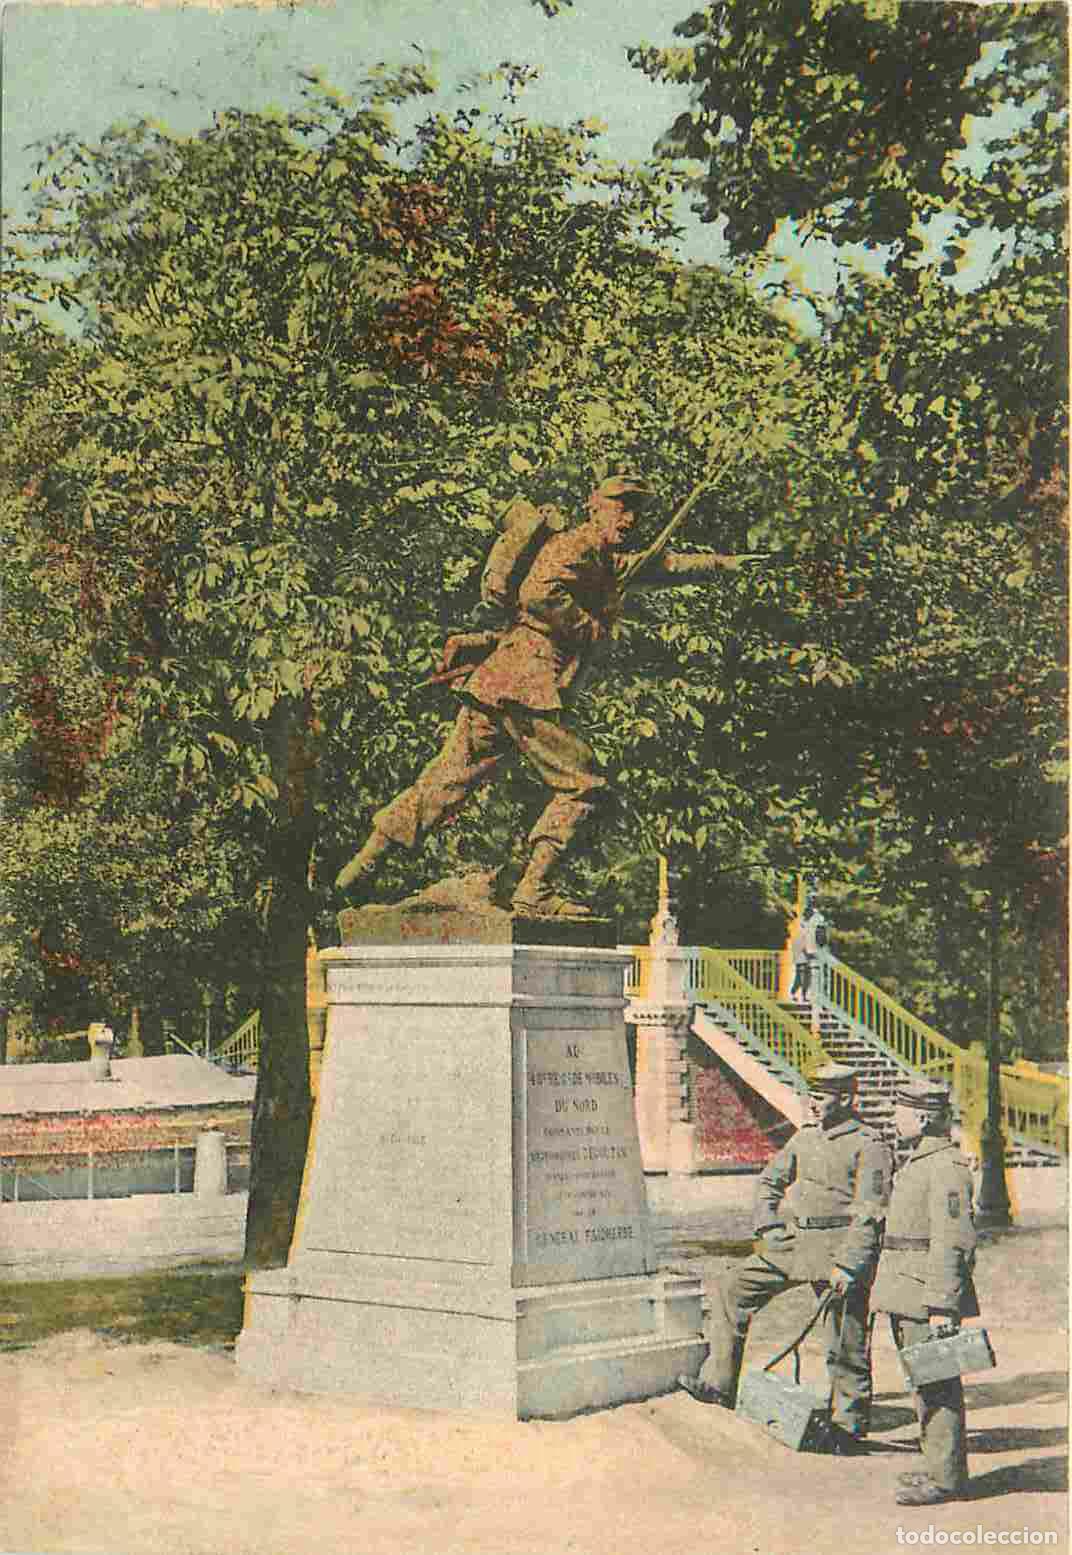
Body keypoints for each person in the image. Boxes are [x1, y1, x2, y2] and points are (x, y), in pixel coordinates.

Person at [336, 474, 758, 918]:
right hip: (526, 685)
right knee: (584, 785)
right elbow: (538, 594)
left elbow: (666, 564)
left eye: (636, 511)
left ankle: (355, 872)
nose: (630, 519)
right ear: (595, 507)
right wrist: (589, 629)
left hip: (498, 685)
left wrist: (730, 564)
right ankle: (534, 888)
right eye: (620, 507)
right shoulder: (577, 545)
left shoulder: (604, 559)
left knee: (444, 783)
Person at [678, 1062, 891, 1455]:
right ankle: (720, 1384)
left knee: (845, 1338)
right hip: (796, 1243)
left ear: (845, 1098)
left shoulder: (869, 1144)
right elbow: (770, 1181)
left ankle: (849, 1424)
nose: (813, 1104)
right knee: (733, 1287)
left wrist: (851, 1264)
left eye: (822, 1097)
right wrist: (768, 1227)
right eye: (811, 1095)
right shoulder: (805, 1137)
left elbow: (871, 1211)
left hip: (838, 1248)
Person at [870, 1077, 979, 1507]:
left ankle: (948, 1478)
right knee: (923, 1382)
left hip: (925, 1294)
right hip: (907, 1288)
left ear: (922, 1117)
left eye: (900, 1111)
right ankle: (938, 1466)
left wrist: (942, 1305)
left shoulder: (945, 1167)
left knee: (937, 1383)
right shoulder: (921, 1160)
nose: (895, 1119)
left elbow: (954, 1239)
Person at [789, 895, 829, 1003]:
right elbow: (800, 934)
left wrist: (820, 946)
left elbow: (821, 934)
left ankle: (803, 994)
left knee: (809, 974)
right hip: (800, 947)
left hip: (811, 948)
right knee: (801, 973)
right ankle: (794, 993)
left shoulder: (818, 918)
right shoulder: (801, 919)